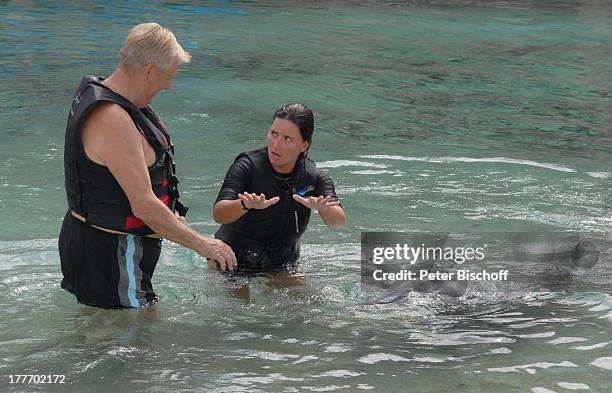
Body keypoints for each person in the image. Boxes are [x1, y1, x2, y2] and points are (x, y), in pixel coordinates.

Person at [60, 23, 236, 309]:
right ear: (149, 70)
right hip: (114, 250)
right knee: (136, 342)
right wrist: (205, 245)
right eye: (168, 77)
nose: (169, 85)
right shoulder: (112, 118)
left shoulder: (113, 97)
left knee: (110, 334)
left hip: (102, 247)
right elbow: (143, 205)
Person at [212, 103, 346, 275]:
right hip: (230, 260)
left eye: (287, 139)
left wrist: (324, 209)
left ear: (304, 145)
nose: (276, 145)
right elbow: (218, 214)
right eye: (273, 134)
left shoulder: (313, 177)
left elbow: (338, 223)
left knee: (313, 301)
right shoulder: (247, 166)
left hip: (282, 263)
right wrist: (245, 204)